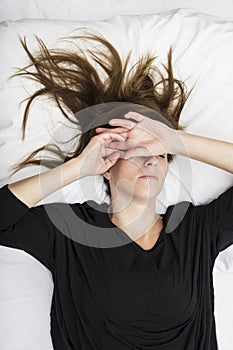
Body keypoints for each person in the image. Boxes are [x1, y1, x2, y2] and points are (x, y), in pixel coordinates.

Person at [0, 33, 233, 350]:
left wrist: (178, 141)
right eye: (137, 152)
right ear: (106, 165)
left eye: (161, 154)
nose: (151, 160)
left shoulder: (196, 231)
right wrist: (77, 169)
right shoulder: (69, 231)